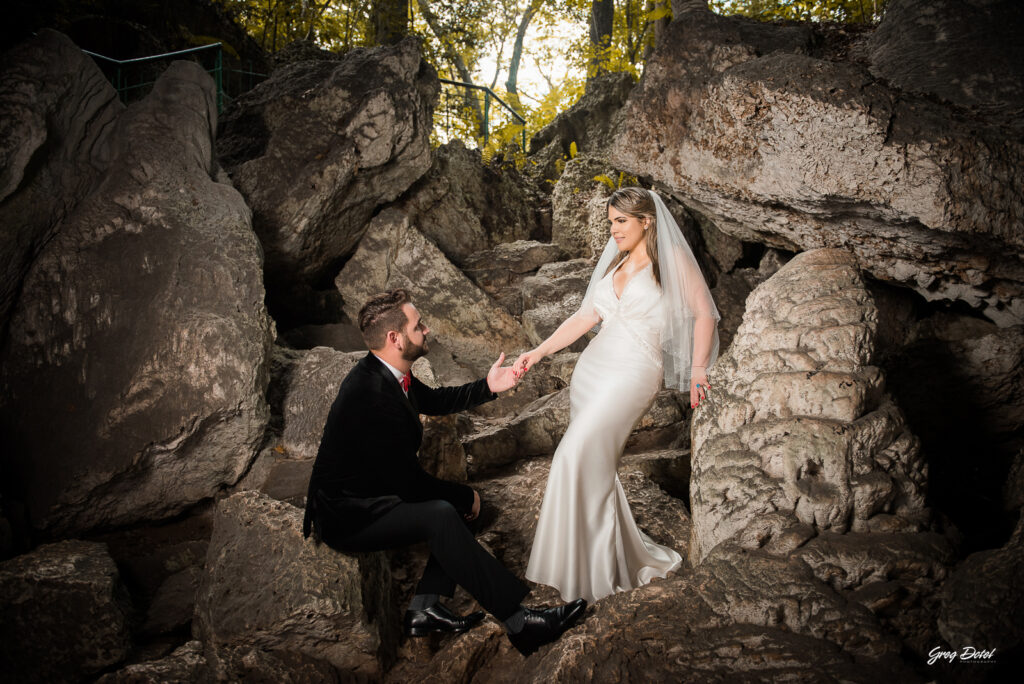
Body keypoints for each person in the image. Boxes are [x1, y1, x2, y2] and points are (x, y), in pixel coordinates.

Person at [302, 289, 587, 656]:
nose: (427, 329)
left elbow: (433, 401)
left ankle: (424, 607)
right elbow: (407, 485)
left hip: (373, 492)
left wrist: (489, 386)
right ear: (395, 338)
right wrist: (462, 496)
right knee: (443, 512)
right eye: (418, 326)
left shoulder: (388, 371)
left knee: (460, 507)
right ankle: (519, 622)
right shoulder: (369, 393)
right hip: (349, 513)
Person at [515, 187, 721, 604]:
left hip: (634, 372)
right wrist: (537, 353)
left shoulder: (673, 261)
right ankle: (588, 563)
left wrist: (699, 369)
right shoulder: (616, 261)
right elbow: (585, 316)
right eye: (611, 221)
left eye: (621, 221)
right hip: (592, 372)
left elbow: (705, 313)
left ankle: (593, 573)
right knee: (593, 466)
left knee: (573, 455)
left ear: (646, 221)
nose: (614, 229)